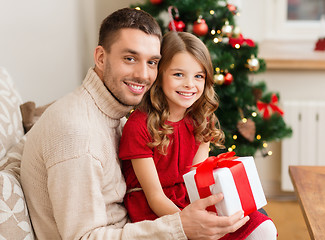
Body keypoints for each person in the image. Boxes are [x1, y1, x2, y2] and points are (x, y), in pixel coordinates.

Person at [21, 7, 250, 240]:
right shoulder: (78, 134)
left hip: (138, 225)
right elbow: (84, 237)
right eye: (130, 58)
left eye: (152, 62)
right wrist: (181, 226)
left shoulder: (117, 112)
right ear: (101, 57)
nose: (143, 74)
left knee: (248, 217)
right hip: (132, 229)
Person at [119, 31, 278, 240]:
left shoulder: (202, 120)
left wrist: (220, 209)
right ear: (159, 75)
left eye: (198, 76)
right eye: (178, 74)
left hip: (189, 199)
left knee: (261, 227)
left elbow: (196, 182)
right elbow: (155, 197)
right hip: (156, 211)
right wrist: (192, 224)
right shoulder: (139, 126)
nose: (189, 84)